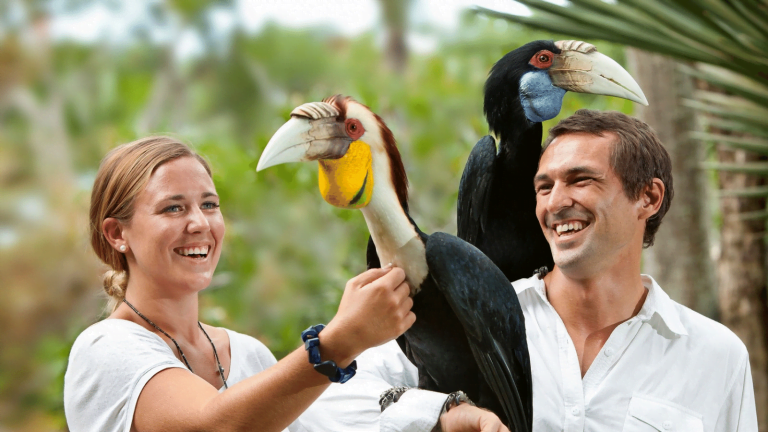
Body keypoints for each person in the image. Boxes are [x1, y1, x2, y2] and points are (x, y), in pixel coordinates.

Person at [302, 110, 759, 431]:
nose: (556, 202)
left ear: (649, 198)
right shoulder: (475, 312)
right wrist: (438, 412)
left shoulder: (715, 355)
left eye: (581, 180)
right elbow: (324, 406)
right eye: (544, 187)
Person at [63, 136, 416, 432]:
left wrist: (443, 411)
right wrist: (337, 343)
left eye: (209, 204)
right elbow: (214, 425)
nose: (199, 223)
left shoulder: (248, 355)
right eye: (173, 208)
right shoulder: (105, 349)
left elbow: (336, 418)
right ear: (116, 233)